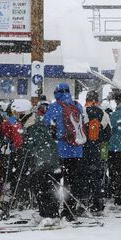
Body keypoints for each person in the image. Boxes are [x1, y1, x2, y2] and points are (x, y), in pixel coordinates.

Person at [14, 99, 62, 228]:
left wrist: (42, 164)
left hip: (45, 162)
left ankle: (52, 216)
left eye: (16, 112)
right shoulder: (29, 122)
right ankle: (43, 213)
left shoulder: (34, 124)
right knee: (37, 187)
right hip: (38, 162)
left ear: (22, 112)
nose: (15, 116)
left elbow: (43, 146)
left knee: (45, 188)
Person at [45, 82, 86, 220]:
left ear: (57, 93)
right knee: (72, 181)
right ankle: (70, 210)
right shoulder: (78, 105)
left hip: (60, 150)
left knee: (55, 181)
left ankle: (53, 209)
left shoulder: (54, 107)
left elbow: (47, 125)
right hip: (77, 149)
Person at [80, 91, 111, 214]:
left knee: (83, 175)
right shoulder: (104, 114)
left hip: (84, 148)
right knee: (98, 176)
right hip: (99, 148)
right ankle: (97, 203)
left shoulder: (81, 112)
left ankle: (83, 201)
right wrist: (104, 154)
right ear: (97, 101)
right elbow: (108, 134)